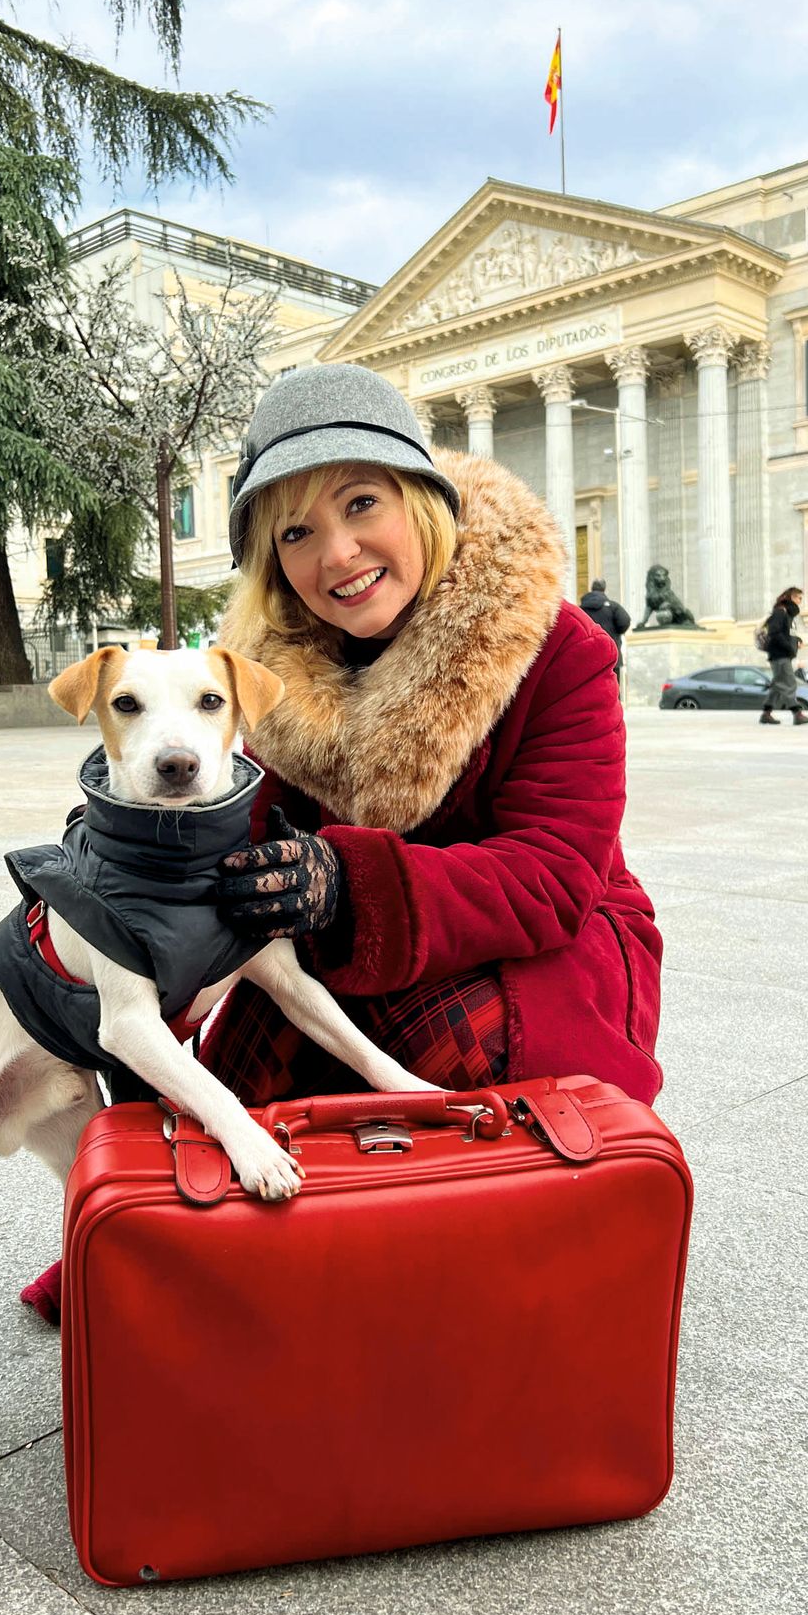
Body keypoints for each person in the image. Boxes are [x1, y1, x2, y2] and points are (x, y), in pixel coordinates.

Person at [201, 362, 663, 1110]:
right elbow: (247, 834)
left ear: (419, 498)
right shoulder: (277, 679)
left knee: (448, 1057)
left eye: (361, 503)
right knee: (230, 1101)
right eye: (297, 532)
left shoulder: (556, 647)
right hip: (346, 945)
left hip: (541, 944)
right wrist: (138, 836)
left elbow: (554, 873)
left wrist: (349, 887)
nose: (338, 554)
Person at [760, 587, 808, 725]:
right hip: (780, 655)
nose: (800, 601)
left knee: (778, 685)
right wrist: (789, 648)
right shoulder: (780, 612)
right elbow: (775, 634)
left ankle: (766, 714)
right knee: (790, 683)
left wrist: (797, 640)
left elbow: (788, 634)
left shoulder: (788, 615)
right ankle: (797, 714)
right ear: (792, 598)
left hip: (782, 654)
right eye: (799, 598)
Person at [579, 577, 630, 681]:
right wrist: (615, 635)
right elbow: (625, 622)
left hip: (588, 657)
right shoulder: (613, 607)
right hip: (610, 655)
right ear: (604, 589)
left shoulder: (580, 609)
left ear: (592, 588)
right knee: (612, 689)